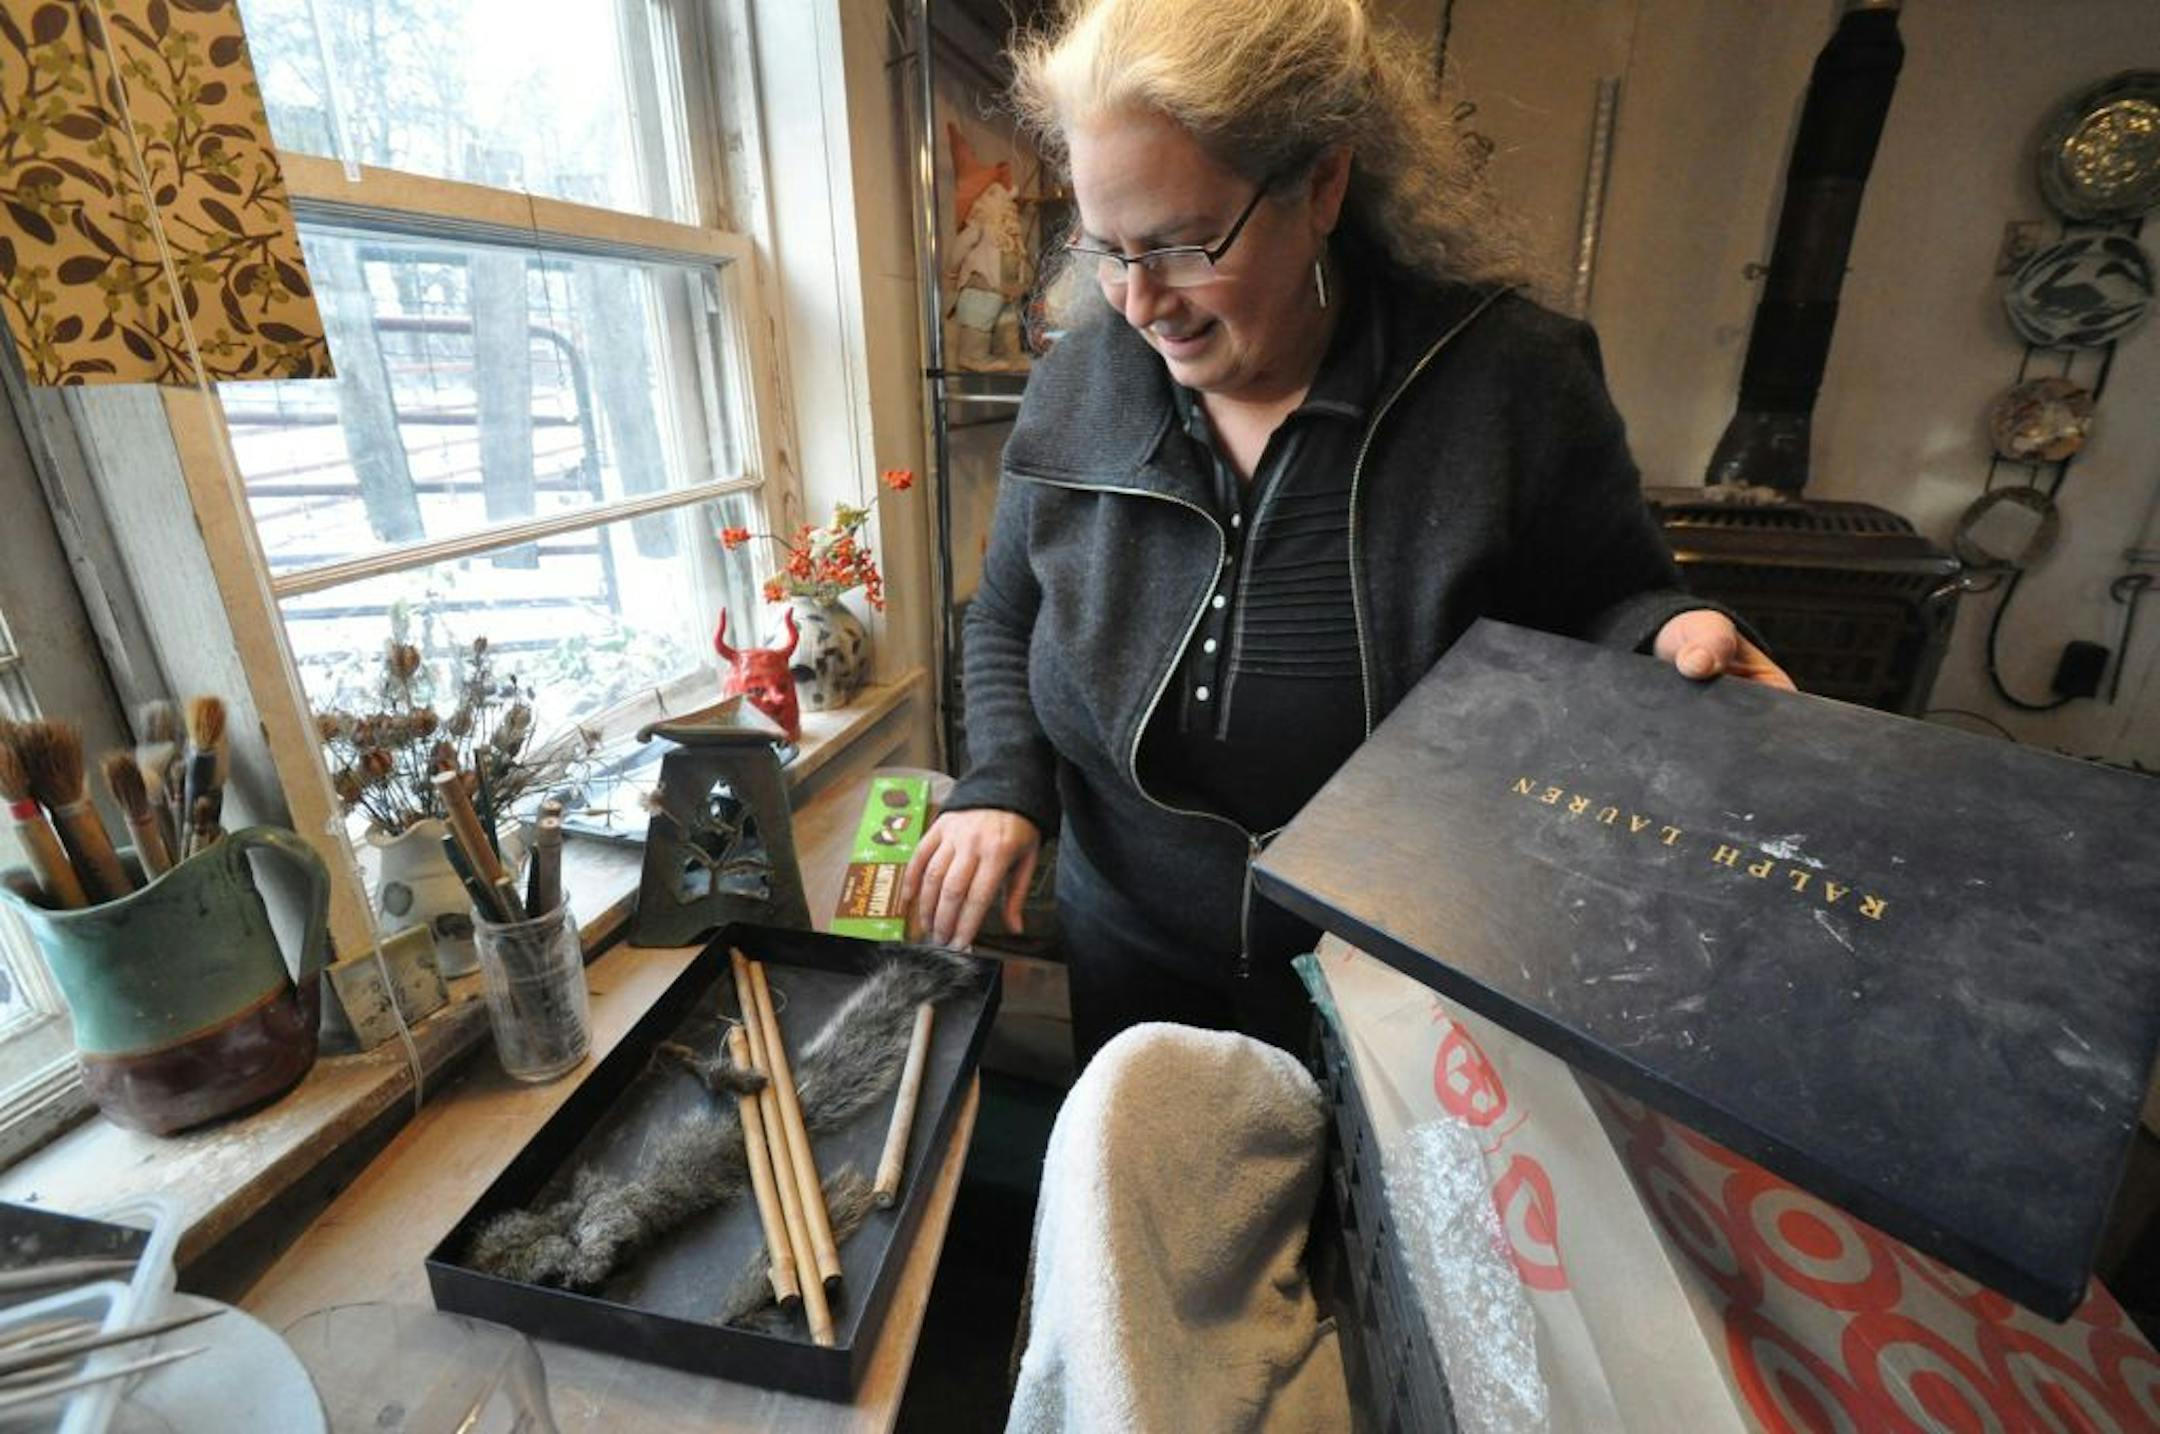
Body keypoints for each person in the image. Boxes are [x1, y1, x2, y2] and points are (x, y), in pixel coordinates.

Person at [900, 0, 1792, 1064]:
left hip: (1397, 967)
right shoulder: (1080, 383)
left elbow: (1609, 593)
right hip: (1128, 933)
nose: (1140, 304)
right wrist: (1004, 782)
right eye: (1107, 248)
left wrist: (1672, 630)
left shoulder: (1507, 379)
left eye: (1186, 245)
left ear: (1322, 185)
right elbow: (1008, 609)